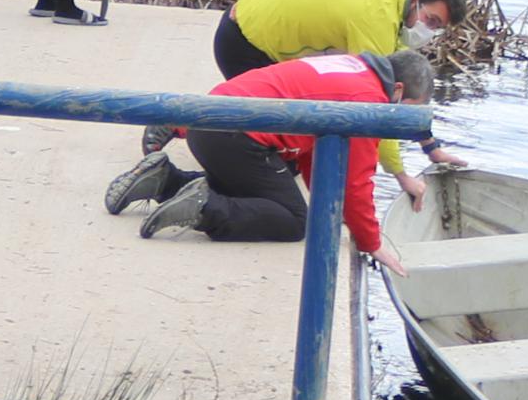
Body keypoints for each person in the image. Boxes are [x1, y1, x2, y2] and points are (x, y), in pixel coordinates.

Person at [111, 0, 471, 215]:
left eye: (438, 28)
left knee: (279, 159)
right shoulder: (375, 16)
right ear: (415, 1)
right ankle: (177, 131)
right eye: (431, 20)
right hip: (245, 41)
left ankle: (173, 163)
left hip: (248, 26)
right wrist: (401, 174)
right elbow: (379, 113)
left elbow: (404, 89)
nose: (429, 31)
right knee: (275, 166)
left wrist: (430, 147)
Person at [136, 47, 423, 272]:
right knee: (293, 220)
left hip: (205, 120)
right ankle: (204, 208)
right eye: (407, 112)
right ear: (397, 90)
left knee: (255, 193)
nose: (400, 122)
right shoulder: (369, 102)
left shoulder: (352, 65)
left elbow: (318, 156)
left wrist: (337, 213)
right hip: (235, 136)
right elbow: (355, 180)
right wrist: (371, 242)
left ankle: (166, 181)